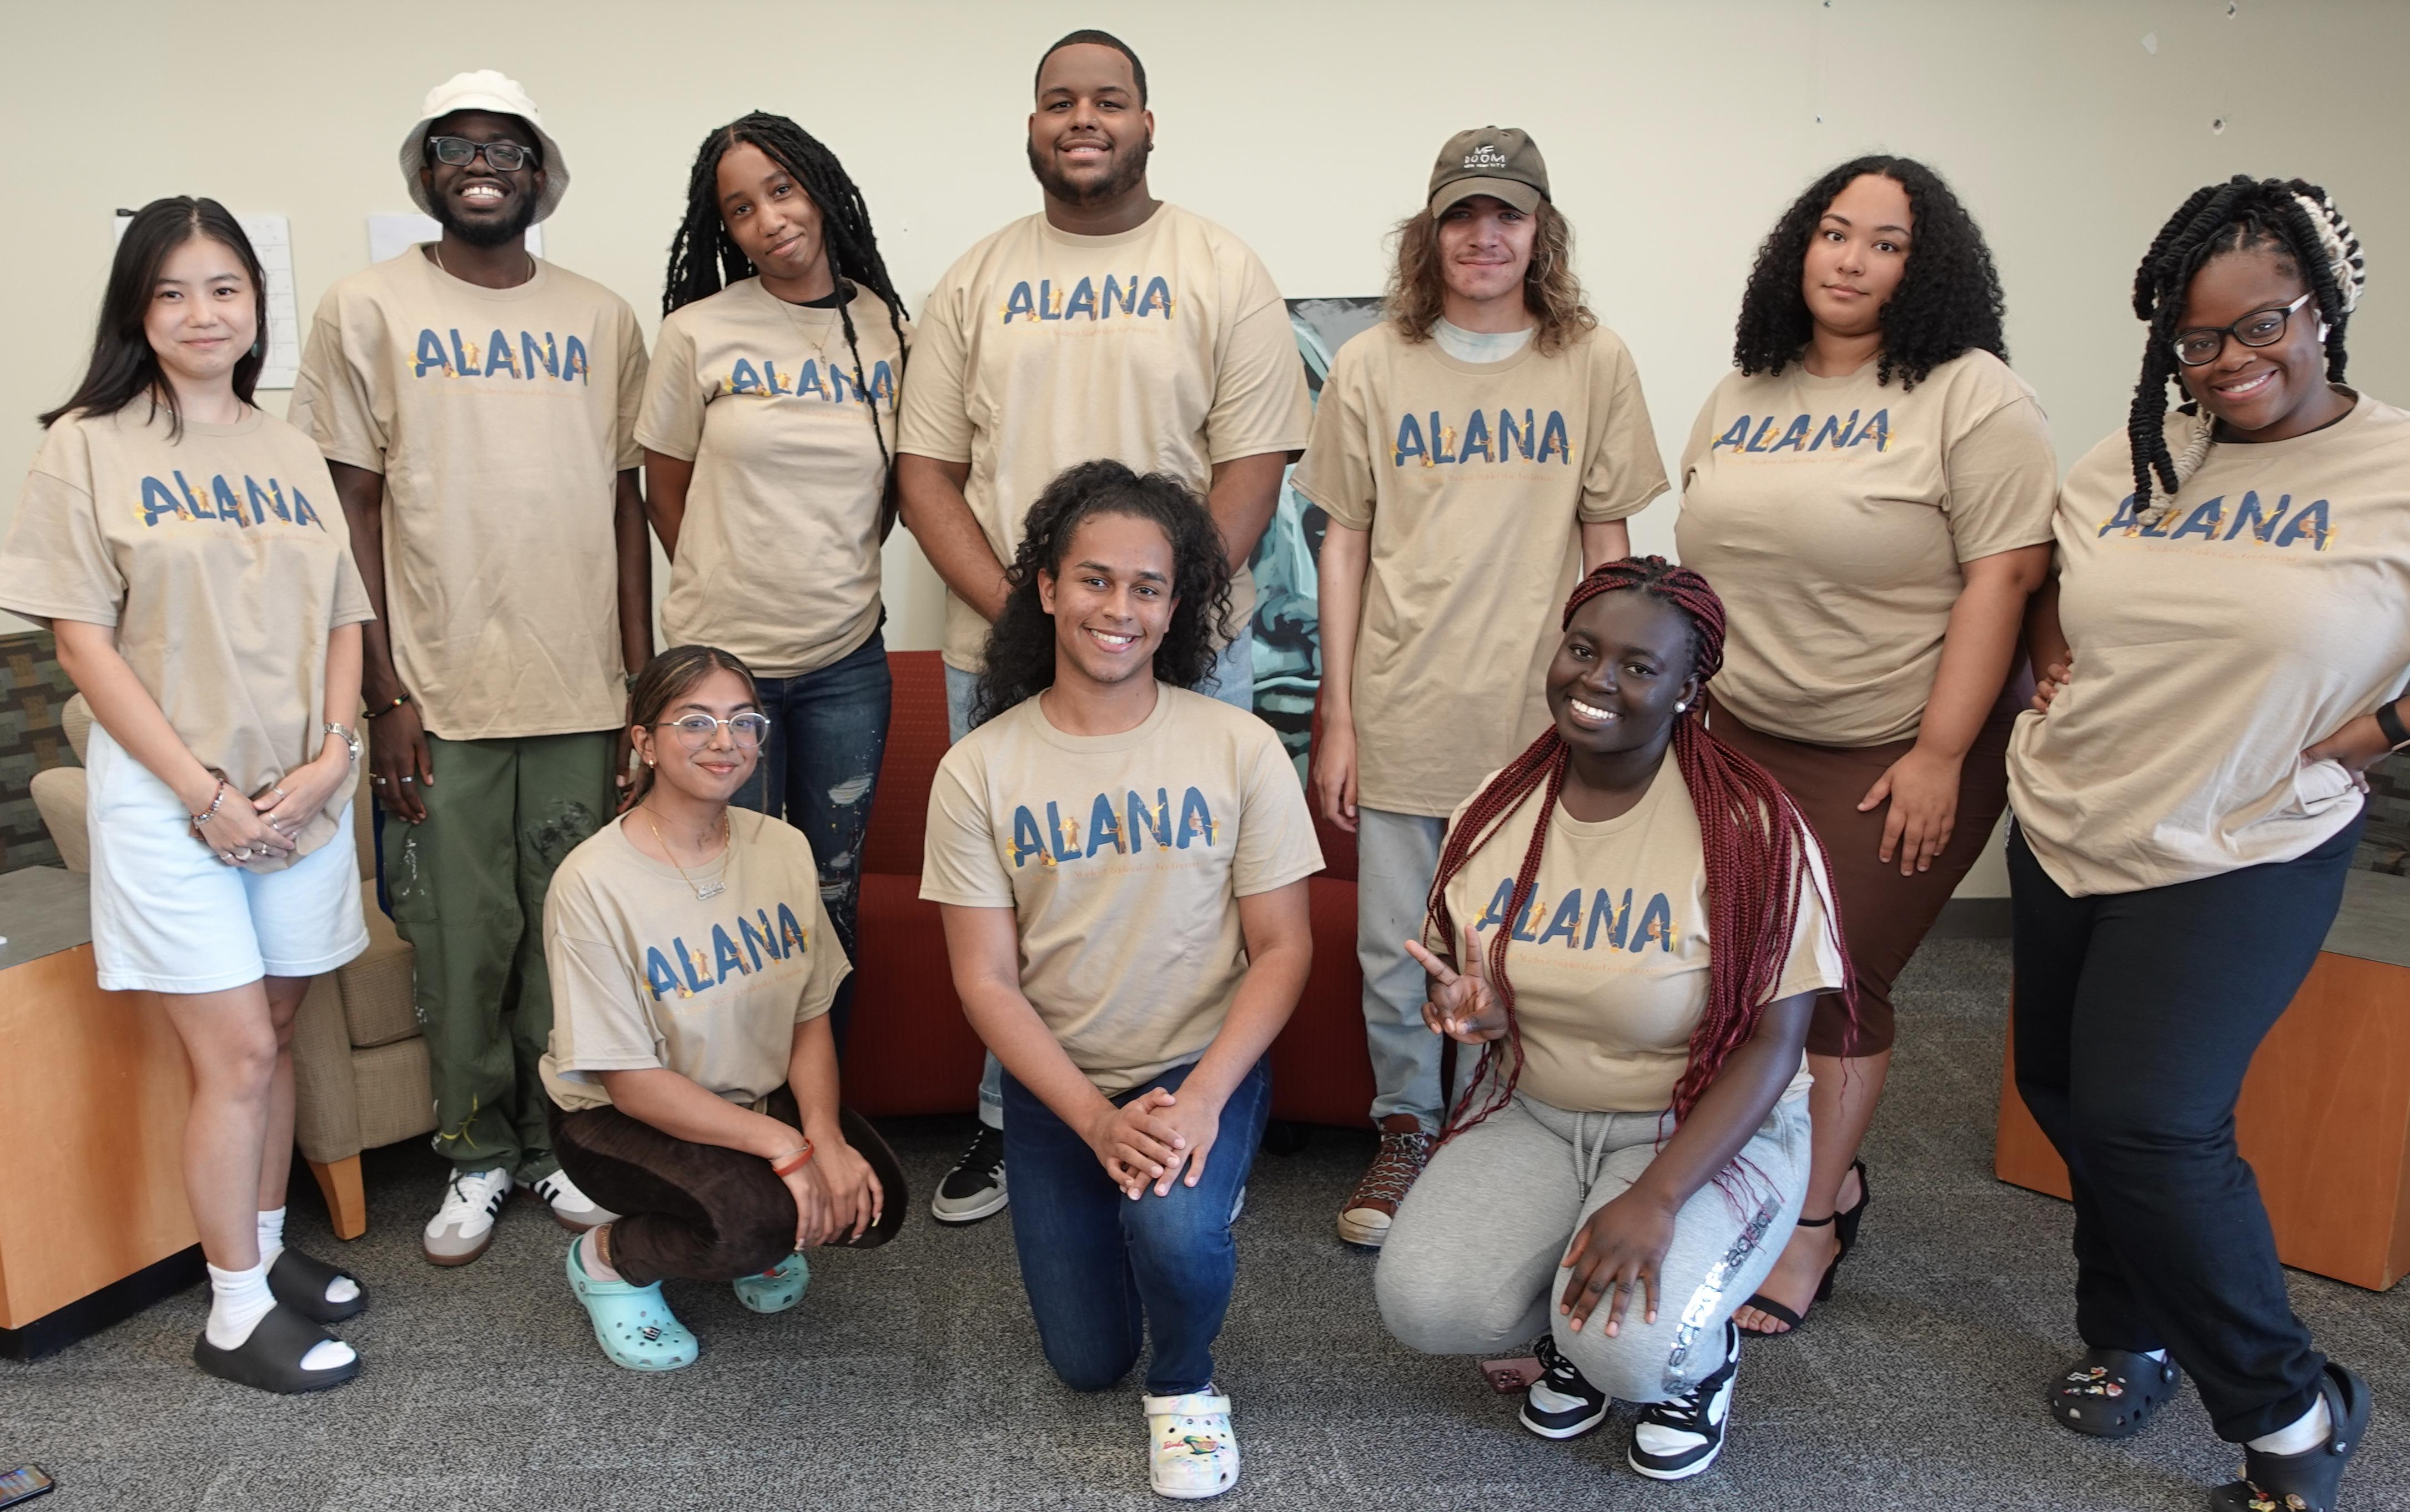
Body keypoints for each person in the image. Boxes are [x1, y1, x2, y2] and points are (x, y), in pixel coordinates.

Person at [2009, 175, 2399, 1512]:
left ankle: (2288, 1410)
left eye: (2261, 325)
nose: (2230, 361)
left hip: (2243, 838)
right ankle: (2131, 1328)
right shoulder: (2124, 461)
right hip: (2067, 819)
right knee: (2068, 1098)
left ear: (2323, 310)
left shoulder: (2396, 473)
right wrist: (2048, 670)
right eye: (2194, 338)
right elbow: (2062, 601)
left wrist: (2376, 732)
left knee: (2150, 1122)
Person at [899, 28, 1311, 1224]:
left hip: (1188, 652)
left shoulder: (1218, 266)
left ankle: (1206, 1124)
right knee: (1025, 906)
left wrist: (1153, 623)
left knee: (1185, 900)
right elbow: (925, 475)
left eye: (1109, 101)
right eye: (1059, 102)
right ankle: (1006, 1124)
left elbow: (1252, 465)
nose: (1084, 119)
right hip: (1005, 648)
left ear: (1146, 123)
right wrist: (1033, 620)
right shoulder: (974, 279)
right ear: (1031, 126)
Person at [1671, 155, 2056, 1334]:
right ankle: (1747, 1174)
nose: (1849, 259)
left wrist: (1942, 752)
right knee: (1726, 980)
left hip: (1890, 744)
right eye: (1833, 233)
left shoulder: (1971, 394)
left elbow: (2006, 575)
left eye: (1883, 243)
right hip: (1737, 733)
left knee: (1836, 987)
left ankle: (1813, 1220)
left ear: (1921, 265)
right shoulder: (1746, 389)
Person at [0, 198, 375, 1392]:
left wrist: (332, 755)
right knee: (236, 1060)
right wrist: (202, 792)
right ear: (136, 311)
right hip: (173, 807)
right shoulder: (88, 445)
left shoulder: (288, 446)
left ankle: (259, 1257)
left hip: (300, 797)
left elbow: (341, 616)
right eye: (171, 292)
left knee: (272, 1033)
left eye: (224, 287)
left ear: (255, 304)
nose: (202, 312)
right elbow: (82, 643)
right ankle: (230, 1318)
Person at [1376, 558, 1848, 1481]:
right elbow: (1472, 985)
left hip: (1702, 1129)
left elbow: (1774, 1041)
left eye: (1639, 666)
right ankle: (1573, 1333)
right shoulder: (1495, 810)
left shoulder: (1750, 828)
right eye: (1583, 649)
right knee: (1425, 1304)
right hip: (1539, 1112)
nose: (1597, 679)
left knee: (1633, 1350)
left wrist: (1659, 1197)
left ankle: (1692, 1364)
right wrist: (1478, 1010)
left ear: (1686, 688)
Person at [288, 69, 652, 1265]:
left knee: (568, 933)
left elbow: (622, 509)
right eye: (456, 146)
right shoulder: (365, 308)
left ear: (540, 174)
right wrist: (384, 696)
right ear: (426, 170)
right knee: (459, 937)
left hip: (581, 693)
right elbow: (348, 510)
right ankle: (475, 1156)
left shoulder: (601, 317)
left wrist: (639, 691)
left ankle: (558, 1150)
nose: (481, 163)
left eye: (507, 147)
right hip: (435, 697)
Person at [1294, 125, 1669, 1249]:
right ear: (1431, 230)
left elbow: (1609, 546)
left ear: (1539, 232)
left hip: (1538, 717)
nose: (1484, 235)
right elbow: (1343, 545)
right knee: (1397, 948)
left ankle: (1508, 1135)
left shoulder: (1589, 359)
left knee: (1527, 940)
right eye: (1462, 214)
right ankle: (1407, 1127)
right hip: (1406, 702)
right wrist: (1336, 714)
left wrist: (1617, 714)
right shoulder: (1370, 364)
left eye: (1506, 214)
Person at [921, 462, 1321, 1499]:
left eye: (1146, 587)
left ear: (1174, 605)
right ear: (1046, 590)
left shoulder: (1236, 744)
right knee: (1086, 1362)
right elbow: (986, 984)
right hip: (1060, 1092)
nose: (1119, 608)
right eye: (1094, 580)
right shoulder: (979, 767)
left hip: (1200, 1066)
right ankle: (1147, 1199)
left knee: (1172, 1236)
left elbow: (1282, 949)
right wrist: (1099, 1125)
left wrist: (1195, 1104)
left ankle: (1188, 1386)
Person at [540, 646, 907, 1372]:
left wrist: (826, 1137)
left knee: (875, 1202)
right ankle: (607, 1258)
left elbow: (808, 1015)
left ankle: (751, 1215)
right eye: (695, 721)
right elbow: (631, 1084)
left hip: (750, 1094)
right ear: (642, 740)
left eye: (744, 721)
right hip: (616, 1119)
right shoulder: (591, 883)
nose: (725, 742)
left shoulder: (784, 848)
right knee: (757, 1223)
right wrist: (787, 1149)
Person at [642, 111, 911, 1052]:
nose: (769, 221)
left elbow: (897, 487)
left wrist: (822, 565)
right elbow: (664, 489)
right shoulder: (695, 334)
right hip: (721, 680)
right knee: (729, 895)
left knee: (827, 895)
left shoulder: (885, 329)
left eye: (782, 190)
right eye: (741, 209)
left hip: (845, 664)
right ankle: (732, 1105)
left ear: (821, 188)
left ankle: (816, 1106)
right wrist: (728, 586)